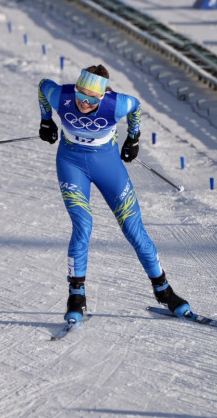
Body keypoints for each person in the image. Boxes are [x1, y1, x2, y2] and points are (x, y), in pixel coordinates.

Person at [37, 64, 190, 323]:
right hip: (71, 164)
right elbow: (43, 86)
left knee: (133, 227)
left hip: (107, 164)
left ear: (102, 95)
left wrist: (134, 138)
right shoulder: (61, 96)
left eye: (91, 98)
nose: (83, 102)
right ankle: (76, 296)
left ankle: (164, 291)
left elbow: (137, 106)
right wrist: (45, 119)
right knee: (83, 225)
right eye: (80, 94)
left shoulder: (117, 104)